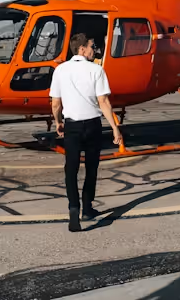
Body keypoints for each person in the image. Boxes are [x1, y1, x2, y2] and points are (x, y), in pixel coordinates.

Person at [50, 33, 123, 232]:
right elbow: (104, 102)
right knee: (92, 168)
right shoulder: (96, 70)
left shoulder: (60, 70)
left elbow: (55, 103)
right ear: (82, 49)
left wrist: (58, 122)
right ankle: (88, 207)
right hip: (92, 125)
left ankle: (73, 207)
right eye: (92, 46)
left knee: (71, 169)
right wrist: (115, 128)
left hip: (72, 126)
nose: (94, 50)